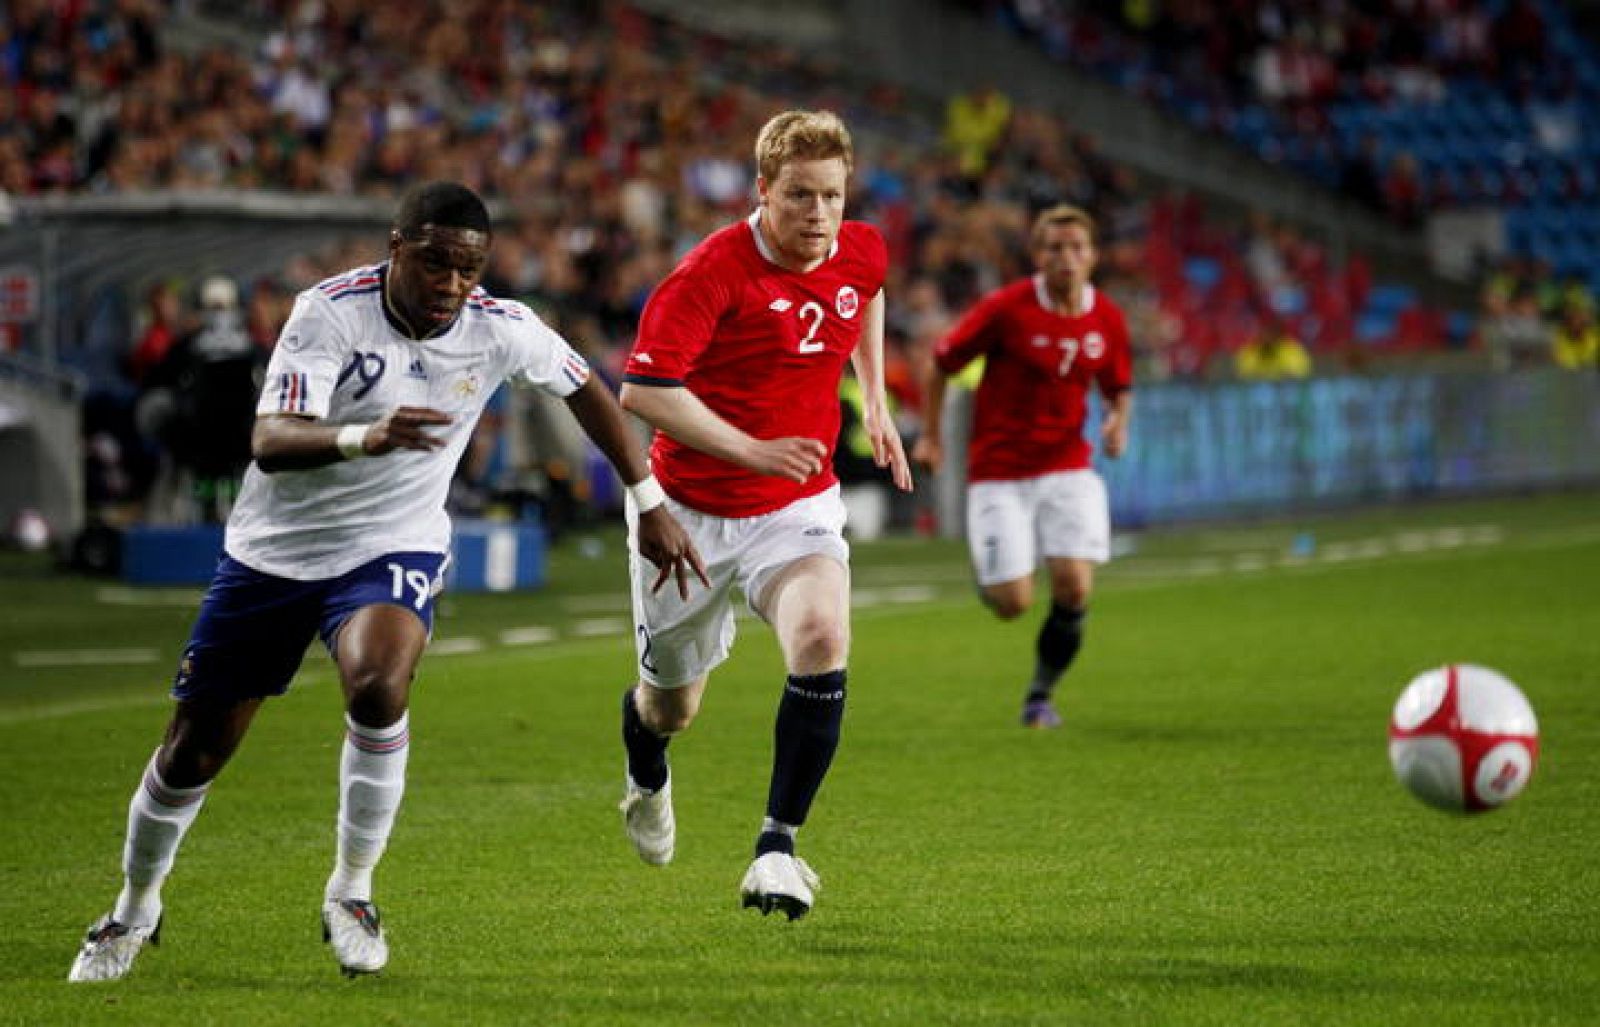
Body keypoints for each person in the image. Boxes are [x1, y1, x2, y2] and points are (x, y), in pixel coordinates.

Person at [67, 181, 706, 982]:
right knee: (194, 749)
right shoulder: (329, 312)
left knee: (378, 684)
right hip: (276, 553)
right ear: (396, 246)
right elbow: (269, 439)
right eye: (436, 262)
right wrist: (367, 437)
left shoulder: (500, 328)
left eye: (469, 269)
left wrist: (646, 497)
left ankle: (353, 890)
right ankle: (134, 906)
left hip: (391, 545)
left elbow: (583, 387)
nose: (451, 283)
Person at [614, 110, 911, 921]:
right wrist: (751, 450)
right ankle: (645, 766)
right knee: (670, 707)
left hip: (796, 505)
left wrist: (875, 400)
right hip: (689, 518)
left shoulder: (860, 244)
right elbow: (641, 391)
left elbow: (865, 293)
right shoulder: (710, 273)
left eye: (832, 196)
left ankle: (776, 847)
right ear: (762, 192)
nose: (819, 216)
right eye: (799, 197)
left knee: (821, 638)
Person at [911, 204, 1133, 729]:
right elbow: (942, 364)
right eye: (1054, 248)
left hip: (1068, 466)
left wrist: (1118, 422)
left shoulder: (1107, 316)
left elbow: (1117, 383)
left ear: (1093, 256)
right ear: (1037, 256)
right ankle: (991, 578)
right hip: (1000, 472)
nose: (1066, 258)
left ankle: (1039, 696)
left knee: (1075, 587)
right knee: (1012, 602)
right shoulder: (1006, 309)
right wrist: (931, 435)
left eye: (1077, 247)